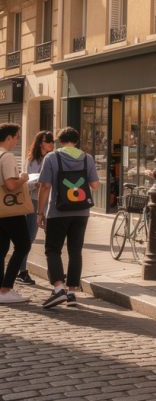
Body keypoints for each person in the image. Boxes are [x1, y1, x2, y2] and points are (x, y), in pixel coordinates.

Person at [36, 127, 101, 309]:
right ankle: (72, 291)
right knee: (75, 250)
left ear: (59, 141)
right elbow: (95, 185)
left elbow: (45, 186)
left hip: (58, 211)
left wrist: (40, 212)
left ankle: (59, 289)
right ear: (77, 141)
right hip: (81, 212)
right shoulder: (87, 158)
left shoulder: (52, 157)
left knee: (52, 249)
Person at [0, 123, 31, 304]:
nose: (17, 141)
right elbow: (11, 185)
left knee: (1, 249)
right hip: (10, 209)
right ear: (9, 137)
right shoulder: (7, 156)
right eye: (17, 137)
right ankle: (5, 289)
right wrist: (23, 178)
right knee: (23, 245)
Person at [18, 130, 54, 285]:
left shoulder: (53, 158)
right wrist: (38, 183)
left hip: (50, 202)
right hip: (34, 201)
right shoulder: (32, 160)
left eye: (53, 141)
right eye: (48, 141)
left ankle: (54, 273)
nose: (52, 144)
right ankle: (21, 271)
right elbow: (26, 183)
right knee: (29, 237)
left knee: (52, 239)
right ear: (41, 143)